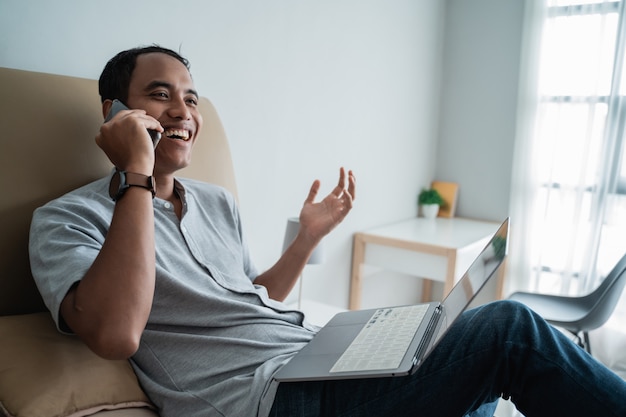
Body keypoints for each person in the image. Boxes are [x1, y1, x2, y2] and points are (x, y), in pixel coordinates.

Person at [29, 45, 626, 417]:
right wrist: (136, 173)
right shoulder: (66, 220)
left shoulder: (214, 202)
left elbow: (251, 296)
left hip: (310, 358)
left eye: (191, 97)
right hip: (268, 400)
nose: (183, 111)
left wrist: (306, 240)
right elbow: (115, 333)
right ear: (113, 113)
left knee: (456, 353)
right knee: (509, 328)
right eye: (159, 97)